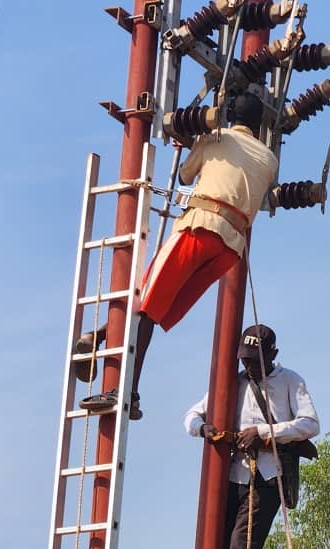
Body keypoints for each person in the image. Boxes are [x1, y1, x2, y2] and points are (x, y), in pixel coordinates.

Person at [79, 92, 279, 420]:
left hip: (200, 228)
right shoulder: (270, 160)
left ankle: (125, 390)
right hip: (230, 250)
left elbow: (185, 176)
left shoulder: (216, 138)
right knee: (156, 308)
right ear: (259, 125)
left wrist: (192, 140)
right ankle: (98, 337)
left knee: (146, 303)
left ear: (229, 116)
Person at [185, 324, 319, 549]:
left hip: (268, 477)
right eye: (245, 359)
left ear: (271, 355)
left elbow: (310, 424)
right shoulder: (234, 382)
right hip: (233, 475)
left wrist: (262, 434)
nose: (249, 366)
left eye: (255, 359)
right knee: (220, 545)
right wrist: (203, 429)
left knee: (241, 547)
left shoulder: (290, 381)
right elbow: (191, 415)